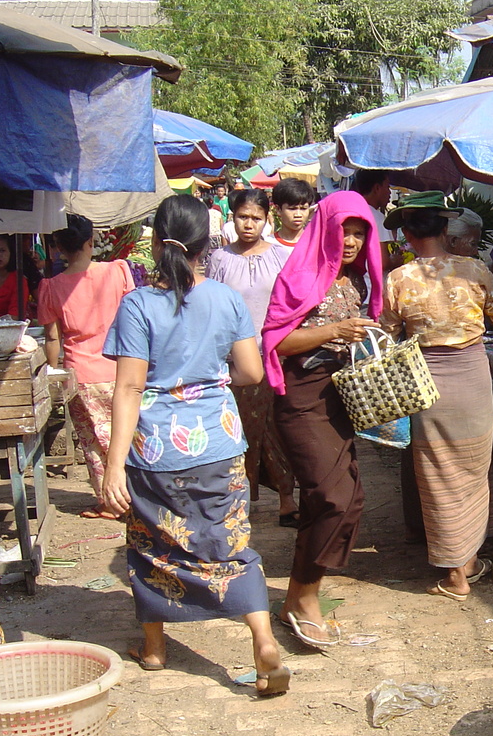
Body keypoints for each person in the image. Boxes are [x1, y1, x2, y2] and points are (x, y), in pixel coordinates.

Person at [101, 194, 289, 697]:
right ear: (207, 243)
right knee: (230, 541)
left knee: (150, 544)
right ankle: (264, 640)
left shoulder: (138, 304)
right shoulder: (226, 299)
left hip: (156, 449)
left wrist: (113, 465)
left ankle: (156, 648)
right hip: (220, 443)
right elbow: (250, 371)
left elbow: (129, 388)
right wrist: (208, 381)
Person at [262, 191, 383, 648]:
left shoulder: (356, 280)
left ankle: (299, 593)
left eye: (359, 233)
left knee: (347, 498)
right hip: (301, 396)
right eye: (343, 230)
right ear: (324, 227)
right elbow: (276, 341)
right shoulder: (300, 273)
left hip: (339, 398)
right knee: (331, 496)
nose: (350, 241)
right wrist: (334, 331)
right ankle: (304, 598)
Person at [381, 191, 493, 601]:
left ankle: (458, 569)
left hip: (427, 384)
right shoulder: (475, 269)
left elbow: (387, 333)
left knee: (437, 476)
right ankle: (465, 564)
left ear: (406, 234)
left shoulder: (399, 279)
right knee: (475, 474)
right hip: (473, 380)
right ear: (445, 228)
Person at [205, 189, 299, 526]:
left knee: (277, 427)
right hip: (234, 363)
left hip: (275, 357)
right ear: (232, 218)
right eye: (243, 217)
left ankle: (288, 500)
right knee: (238, 429)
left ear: (267, 220)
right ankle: (238, 500)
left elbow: (292, 306)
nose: (249, 224)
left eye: (256, 218)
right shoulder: (219, 259)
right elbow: (210, 306)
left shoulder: (281, 257)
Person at [37, 215, 135, 519]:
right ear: (91, 242)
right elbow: (134, 317)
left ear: (57, 248)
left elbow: (52, 337)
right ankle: (136, 497)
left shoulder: (51, 287)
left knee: (93, 442)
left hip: (81, 372)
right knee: (127, 435)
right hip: (123, 367)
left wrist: (52, 372)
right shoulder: (118, 270)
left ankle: (110, 501)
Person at [352, 169, 400, 272]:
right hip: (370, 282)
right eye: (387, 187)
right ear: (377, 188)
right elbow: (383, 263)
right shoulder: (377, 218)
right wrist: (396, 261)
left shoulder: (352, 209)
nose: (390, 192)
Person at [271, 178, 317, 248]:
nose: (298, 215)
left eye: (303, 208)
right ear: (278, 209)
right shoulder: (267, 246)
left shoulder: (316, 244)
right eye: (292, 209)